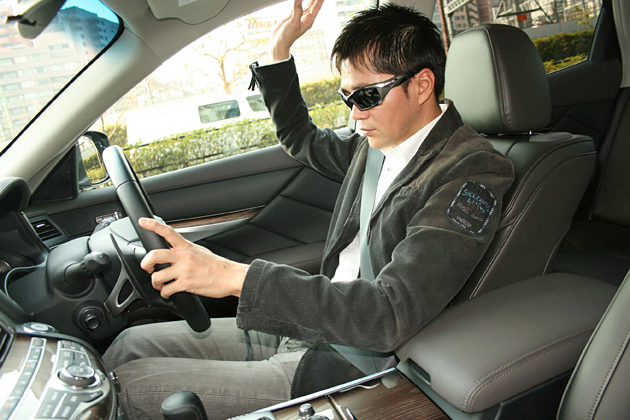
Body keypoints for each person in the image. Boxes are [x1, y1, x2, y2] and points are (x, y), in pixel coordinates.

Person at [103, 1, 515, 419]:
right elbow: (300, 137)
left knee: (129, 390)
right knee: (127, 345)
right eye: (347, 97)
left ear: (423, 84)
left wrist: (232, 276)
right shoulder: (374, 143)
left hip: (354, 363)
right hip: (309, 326)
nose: (356, 115)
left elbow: (389, 314)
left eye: (367, 96)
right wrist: (278, 52)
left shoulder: (472, 172)